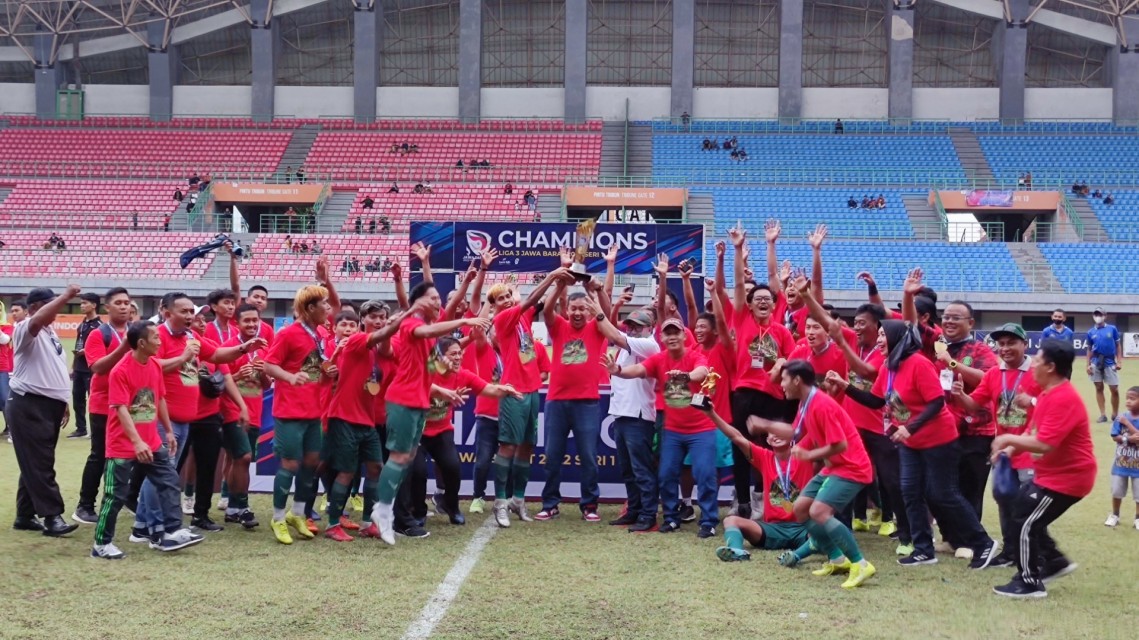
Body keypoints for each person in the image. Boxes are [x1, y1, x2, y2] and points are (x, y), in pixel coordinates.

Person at [833, 320, 1000, 569]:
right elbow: (877, 400)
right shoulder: (889, 367)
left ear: (896, 337)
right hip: (911, 442)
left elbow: (935, 403)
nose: (878, 340)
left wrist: (909, 427)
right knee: (910, 492)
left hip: (938, 440)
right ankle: (923, 549)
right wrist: (845, 387)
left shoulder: (918, 363)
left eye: (882, 335)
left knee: (943, 494)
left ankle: (983, 543)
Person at [368, 282, 489, 544]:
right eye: (433, 298)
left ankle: (387, 510)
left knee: (408, 456)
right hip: (403, 400)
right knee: (399, 457)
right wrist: (463, 321)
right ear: (420, 302)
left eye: (438, 298)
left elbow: (436, 366)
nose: (438, 302)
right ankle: (383, 511)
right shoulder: (412, 323)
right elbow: (428, 330)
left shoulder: (429, 337)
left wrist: (445, 382)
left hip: (419, 402)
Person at [747, 360, 877, 589]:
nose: (782, 385)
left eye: (784, 380)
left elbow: (840, 445)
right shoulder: (807, 402)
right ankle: (837, 558)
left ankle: (860, 563)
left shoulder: (821, 405)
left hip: (851, 467)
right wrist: (765, 424)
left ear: (797, 380)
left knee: (819, 511)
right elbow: (793, 432)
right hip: (834, 467)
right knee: (800, 509)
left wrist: (809, 455)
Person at [990, 339, 1095, 598]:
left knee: (1024, 520)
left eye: (1036, 360)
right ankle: (1055, 561)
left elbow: (1045, 443)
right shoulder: (1047, 393)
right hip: (1051, 476)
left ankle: (1029, 582)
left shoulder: (1063, 398)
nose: (1032, 364)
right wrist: (1011, 450)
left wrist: (1006, 439)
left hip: (1069, 478)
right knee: (1022, 510)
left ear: (1050, 366)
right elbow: (1032, 431)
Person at [91, 321, 205, 559]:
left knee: (169, 480)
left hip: (152, 440)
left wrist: (169, 431)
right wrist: (136, 442)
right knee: (115, 495)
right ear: (141, 343)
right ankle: (101, 544)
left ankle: (172, 531)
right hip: (122, 445)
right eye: (155, 337)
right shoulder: (120, 371)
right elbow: (121, 409)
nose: (160, 341)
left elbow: (159, 398)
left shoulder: (153, 364)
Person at [607, 318, 717, 537]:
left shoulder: (694, 355)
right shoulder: (659, 359)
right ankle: (671, 518)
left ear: (685, 336)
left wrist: (686, 376)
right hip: (673, 430)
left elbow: (702, 371)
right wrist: (618, 369)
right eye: (668, 333)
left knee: (704, 474)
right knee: (666, 474)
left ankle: (708, 521)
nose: (672, 337)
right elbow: (638, 369)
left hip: (701, 429)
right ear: (662, 338)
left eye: (676, 332)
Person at [950, 323, 1042, 567]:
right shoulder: (993, 374)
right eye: (1001, 344)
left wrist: (1031, 400)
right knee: (1004, 500)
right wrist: (960, 394)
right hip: (1003, 452)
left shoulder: (1037, 372)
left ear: (1025, 344)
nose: (1005, 348)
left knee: (1028, 505)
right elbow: (974, 405)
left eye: (1011, 343)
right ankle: (1011, 551)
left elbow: (1055, 404)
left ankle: (1036, 553)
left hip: (1031, 451)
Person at [488, 269, 572, 527]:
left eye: (507, 296)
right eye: (500, 298)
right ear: (494, 306)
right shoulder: (503, 320)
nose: (506, 300)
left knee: (527, 447)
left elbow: (542, 303)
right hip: (513, 391)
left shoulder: (522, 317)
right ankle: (500, 501)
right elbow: (532, 299)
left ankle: (518, 499)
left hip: (532, 390)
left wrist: (559, 283)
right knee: (508, 447)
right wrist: (551, 276)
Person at [726, 222, 796, 519]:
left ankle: (763, 499)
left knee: (769, 448)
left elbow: (793, 360)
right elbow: (741, 286)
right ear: (750, 305)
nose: (763, 301)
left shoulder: (780, 328)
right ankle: (742, 501)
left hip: (772, 396)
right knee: (741, 445)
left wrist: (771, 244)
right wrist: (739, 249)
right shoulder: (742, 319)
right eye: (758, 299)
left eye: (767, 299)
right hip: (743, 394)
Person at [321, 302, 406, 542]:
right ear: (362, 321)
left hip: (367, 421)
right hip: (344, 416)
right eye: (374, 317)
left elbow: (389, 347)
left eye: (383, 317)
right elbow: (383, 335)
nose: (379, 321)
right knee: (346, 472)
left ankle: (368, 522)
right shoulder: (357, 340)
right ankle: (332, 524)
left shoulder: (383, 351)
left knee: (376, 468)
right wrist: (401, 318)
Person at [259, 284, 337, 544]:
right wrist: (290, 377)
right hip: (289, 411)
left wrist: (328, 372)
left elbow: (318, 365)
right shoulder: (288, 334)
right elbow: (269, 365)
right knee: (290, 464)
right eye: (323, 304)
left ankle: (298, 513)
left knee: (311, 463)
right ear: (310, 308)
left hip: (314, 411)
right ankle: (278, 518)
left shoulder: (320, 333)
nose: (328, 308)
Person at [7, 286, 83, 537]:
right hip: (29, 403)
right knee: (40, 463)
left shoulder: (50, 333)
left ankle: (25, 515)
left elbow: (52, 369)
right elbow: (39, 319)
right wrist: (66, 296)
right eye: (51, 305)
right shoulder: (25, 329)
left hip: (48, 404)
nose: (57, 310)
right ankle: (52, 517)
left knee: (35, 460)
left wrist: (62, 401)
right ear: (33, 308)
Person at [420, 336, 519, 529]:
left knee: (452, 467)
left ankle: (452, 507)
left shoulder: (463, 375)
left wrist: (504, 389)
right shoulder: (426, 371)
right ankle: (417, 511)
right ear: (439, 357)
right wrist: (443, 391)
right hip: (418, 431)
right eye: (453, 354)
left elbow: (488, 388)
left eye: (460, 353)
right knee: (417, 472)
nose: (458, 357)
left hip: (442, 430)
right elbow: (419, 383)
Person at [700, 403, 813, 561]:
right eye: (771, 433)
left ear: (790, 435)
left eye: (780, 432)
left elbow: (820, 424)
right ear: (767, 439)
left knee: (826, 528)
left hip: (803, 529)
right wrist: (711, 413)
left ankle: (796, 556)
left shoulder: (803, 453)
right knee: (730, 520)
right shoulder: (764, 457)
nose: (776, 435)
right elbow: (736, 437)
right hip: (771, 529)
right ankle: (736, 551)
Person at [537, 283, 610, 522]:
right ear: (567, 310)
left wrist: (598, 291)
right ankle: (550, 504)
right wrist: (559, 285)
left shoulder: (596, 328)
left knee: (588, 457)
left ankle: (589, 505)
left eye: (582, 309)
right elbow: (547, 310)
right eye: (574, 308)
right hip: (556, 401)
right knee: (552, 456)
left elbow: (606, 312)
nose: (578, 313)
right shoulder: (558, 327)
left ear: (588, 312)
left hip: (587, 403)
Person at [934, 300, 997, 547]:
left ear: (970, 322)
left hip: (975, 431)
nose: (949, 321)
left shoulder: (980, 350)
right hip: (943, 430)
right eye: (946, 316)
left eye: (956, 317)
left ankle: (970, 541)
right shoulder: (937, 347)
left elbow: (987, 378)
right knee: (944, 488)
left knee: (971, 488)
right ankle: (950, 537)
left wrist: (950, 362)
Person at [594, 309, 660, 532]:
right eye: (630, 325)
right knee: (628, 470)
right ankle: (634, 510)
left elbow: (614, 337)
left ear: (650, 328)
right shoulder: (629, 347)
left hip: (639, 416)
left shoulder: (649, 345)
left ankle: (648, 514)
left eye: (638, 326)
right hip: (623, 414)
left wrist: (599, 314)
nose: (633, 329)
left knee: (641, 469)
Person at [71, 288, 133, 525]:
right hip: (104, 404)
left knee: (129, 454)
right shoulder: (99, 334)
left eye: (127, 302)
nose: (124, 306)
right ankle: (85, 505)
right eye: (118, 303)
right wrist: (125, 346)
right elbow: (97, 367)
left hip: (130, 405)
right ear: (107, 307)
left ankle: (125, 498)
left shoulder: (134, 332)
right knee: (99, 455)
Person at [219, 303, 271, 530]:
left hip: (255, 411)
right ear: (236, 323)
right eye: (246, 321)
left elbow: (267, 385)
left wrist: (262, 374)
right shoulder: (228, 347)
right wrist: (239, 374)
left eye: (254, 320)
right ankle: (243, 506)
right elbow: (220, 381)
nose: (251, 324)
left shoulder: (262, 349)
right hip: (232, 411)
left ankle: (232, 508)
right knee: (244, 457)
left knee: (237, 459)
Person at [69, 292, 103, 439]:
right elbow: (78, 345)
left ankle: (95, 430)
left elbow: (102, 349)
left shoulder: (100, 326)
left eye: (85, 303)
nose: (82, 306)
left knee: (94, 400)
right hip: (79, 368)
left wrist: (87, 351)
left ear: (94, 305)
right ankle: (80, 428)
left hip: (91, 369)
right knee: (77, 399)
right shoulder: (82, 324)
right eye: (81, 303)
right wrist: (73, 365)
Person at [1106, 388, 1139, 530]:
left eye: (1132, 398)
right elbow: (1114, 436)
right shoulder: (1121, 417)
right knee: (1117, 491)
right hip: (1121, 464)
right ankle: (1115, 515)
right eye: (1127, 398)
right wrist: (1128, 439)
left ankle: (1137, 518)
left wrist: (1127, 424)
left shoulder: (1124, 420)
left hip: (1137, 466)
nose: (1128, 401)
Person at [1086, 306, 1121, 423]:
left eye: (1100, 314)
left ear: (1105, 316)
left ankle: (1115, 414)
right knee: (1098, 387)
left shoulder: (1112, 329)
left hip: (1110, 361)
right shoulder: (1090, 332)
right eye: (1096, 314)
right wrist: (1088, 364)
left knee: (1114, 389)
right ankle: (1102, 414)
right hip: (1096, 362)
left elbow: (1118, 345)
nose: (1098, 317)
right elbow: (1089, 349)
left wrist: (1119, 361)